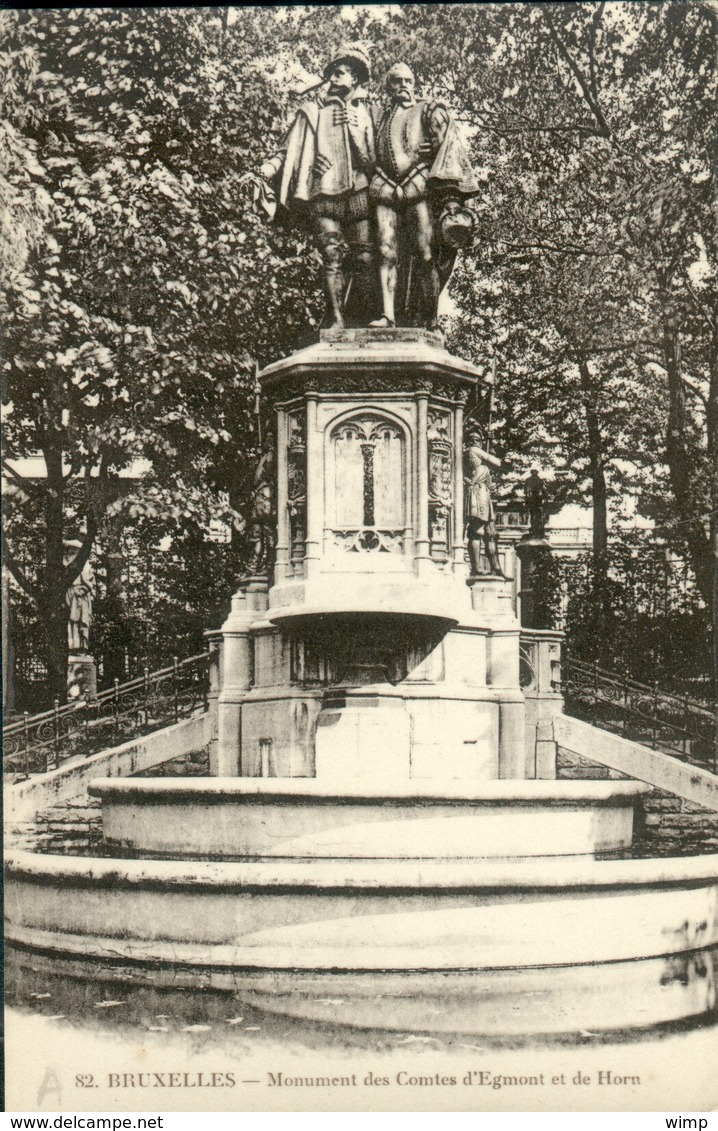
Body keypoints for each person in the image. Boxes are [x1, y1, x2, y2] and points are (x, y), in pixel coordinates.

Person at [243, 46, 376, 328]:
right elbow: (285, 152)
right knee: (332, 254)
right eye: (332, 75)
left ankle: (360, 318)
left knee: (365, 256)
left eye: (341, 74)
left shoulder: (366, 114)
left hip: (360, 194)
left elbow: (372, 162)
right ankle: (337, 322)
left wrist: (354, 132)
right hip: (324, 193)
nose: (334, 79)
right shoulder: (311, 112)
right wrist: (263, 172)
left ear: (355, 79)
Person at [370, 62, 479, 329]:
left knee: (425, 252)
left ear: (414, 84)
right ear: (388, 86)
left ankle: (430, 319)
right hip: (383, 187)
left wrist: (451, 197)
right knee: (385, 250)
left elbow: (448, 150)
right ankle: (388, 315)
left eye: (407, 81)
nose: (403, 86)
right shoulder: (377, 117)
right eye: (396, 81)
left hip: (418, 187)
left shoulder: (429, 110)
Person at [464, 426, 503, 576]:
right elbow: (496, 462)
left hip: (480, 493)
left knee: (481, 531)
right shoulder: (474, 450)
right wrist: (490, 443)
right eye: (478, 440)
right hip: (479, 494)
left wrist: (490, 442)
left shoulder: (466, 453)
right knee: (477, 531)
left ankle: (481, 567)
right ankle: (477, 567)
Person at [65, 549, 94, 652]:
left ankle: (82, 646)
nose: (72, 555)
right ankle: (73, 646)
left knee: (82, 621)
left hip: (82, 598)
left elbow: (90, 583)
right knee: (72, 621)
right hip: (71, 595)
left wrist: (83, 590)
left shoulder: (85, 565)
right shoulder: (66, 564)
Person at [524, 468, 547, 539]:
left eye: (535, 472)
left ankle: (537, 530)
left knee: (537, 515)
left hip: (537, 500)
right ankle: (534, 529)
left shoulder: (539, 481)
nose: (534, 473)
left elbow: (543, 490)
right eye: (533, 472)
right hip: (533, 500)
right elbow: (526, 491)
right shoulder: (529, 480)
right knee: (533, 515)